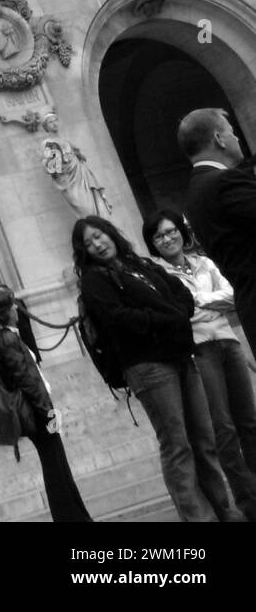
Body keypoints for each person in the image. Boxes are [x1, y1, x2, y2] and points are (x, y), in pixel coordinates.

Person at [73, 215, 242, 521]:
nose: (97, 244)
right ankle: (199, 518)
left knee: (204, 440)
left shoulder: (141, 265)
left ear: (111, 233)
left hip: (180, 356)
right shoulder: (95, 280)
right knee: (177, 444)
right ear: (83, 250)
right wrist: (168, 319)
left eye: (99, 235)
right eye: (89, 242)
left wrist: (173, 314)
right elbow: (119, 319)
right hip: (147, 366)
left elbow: (180, 294)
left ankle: (225, 510)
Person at [143, 208, 256, 520]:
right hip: (200, 349)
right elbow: (181, 311)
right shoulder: (160, 275)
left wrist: (199, 302)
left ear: (182, 231)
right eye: (159, 235)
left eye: (170, 231)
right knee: (225, 429)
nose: (167, 238)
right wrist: (210, 302)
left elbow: (232, 296)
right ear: (152, 243)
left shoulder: (204, 262)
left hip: (229, 341)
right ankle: (248, 501)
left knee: (250, 422)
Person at [0, 289, 92, 522]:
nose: (15, 309)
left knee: (57, 464)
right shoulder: (7, 339)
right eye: (11, 306)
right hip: (38, 413)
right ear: (3, 312)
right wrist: (48, 412)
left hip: (40, 410)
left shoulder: (5, 337)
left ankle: (76, 516)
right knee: (56, 466)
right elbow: (25, 378)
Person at [180, 108, 256, 347]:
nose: (236, 138)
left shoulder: (196, 191)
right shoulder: (223, 182)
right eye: (231, 132)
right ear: (218, 139)